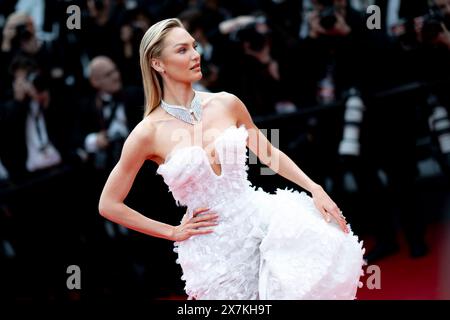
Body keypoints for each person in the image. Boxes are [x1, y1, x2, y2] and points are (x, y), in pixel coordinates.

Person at [98, 18, 365, 300]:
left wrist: (314, 188)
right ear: (157, 64)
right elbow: (109, 204)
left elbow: (269, 153)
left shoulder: (227, 102)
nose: (195, 55)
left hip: (263, 224)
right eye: (182, 50)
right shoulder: (146, 133)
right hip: (213, 251)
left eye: (194, 46)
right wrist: (172, 231)